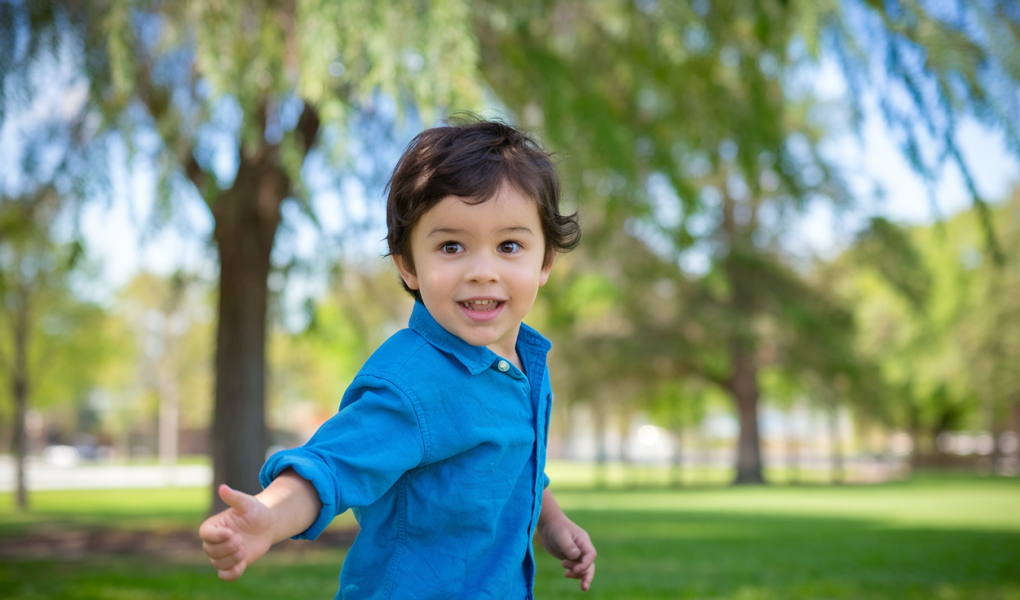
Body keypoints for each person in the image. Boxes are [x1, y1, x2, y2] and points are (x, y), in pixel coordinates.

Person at [198, 118, 596, 599]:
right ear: (408, 264)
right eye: (452, 246)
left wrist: (551, 523)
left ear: (545, 261)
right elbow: (332, 463)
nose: (482, 271)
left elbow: (511, 457)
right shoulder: (412, 383)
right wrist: (269, 517)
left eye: (509, 245)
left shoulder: (520, 363)